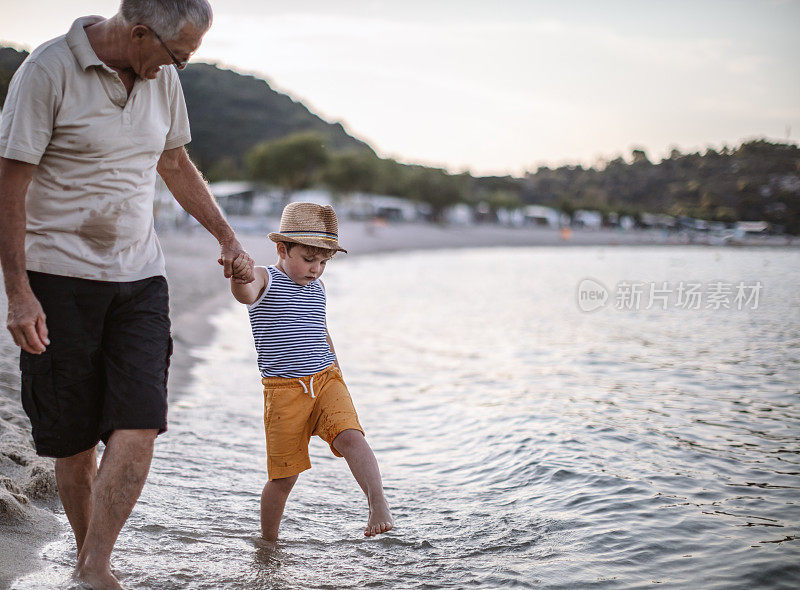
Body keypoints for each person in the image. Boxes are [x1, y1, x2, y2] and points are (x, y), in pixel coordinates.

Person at [0, 2, 254, 588]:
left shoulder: (160, 75)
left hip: (139, 275)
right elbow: (11, 183)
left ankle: (94, 567)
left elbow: (174, 160)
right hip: (56, 276)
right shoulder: (48, 71)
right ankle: (88, 560)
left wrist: (226, 235)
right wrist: (18, 292)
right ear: (139, 33)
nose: (181, 69)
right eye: (179, 56)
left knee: (140, 421)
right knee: (73, 440)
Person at [229, 202, 394, 540]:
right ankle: (268, 543)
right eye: (308, 259)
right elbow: (245, 293)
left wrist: (338, 368)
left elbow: (320, 329)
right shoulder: (266, 278)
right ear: (282, 249)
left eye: (323, 262)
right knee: (284, 479)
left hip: (326, 378)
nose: (316, 269)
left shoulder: (317, 288)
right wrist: (240, 276)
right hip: (284, 392)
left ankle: (378, 503)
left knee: (352, 436)